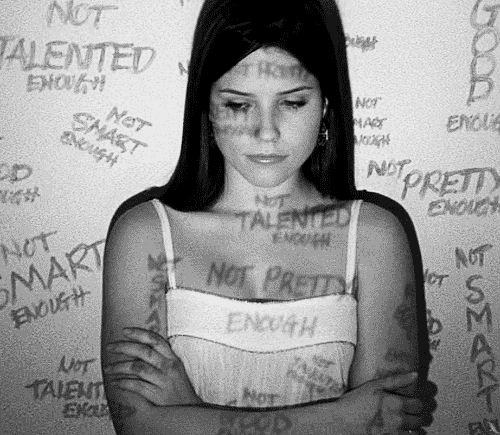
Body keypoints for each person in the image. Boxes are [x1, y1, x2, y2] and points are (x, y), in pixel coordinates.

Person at [100, 0, 436, 434]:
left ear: (326, 105)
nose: (266, 132)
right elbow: (138, 429)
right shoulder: (143, 235)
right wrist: (342, 418)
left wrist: (189, 412)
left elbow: (387, 425)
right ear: (206, 108)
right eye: (238, 105)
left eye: (292, 103)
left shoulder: (375, 237)